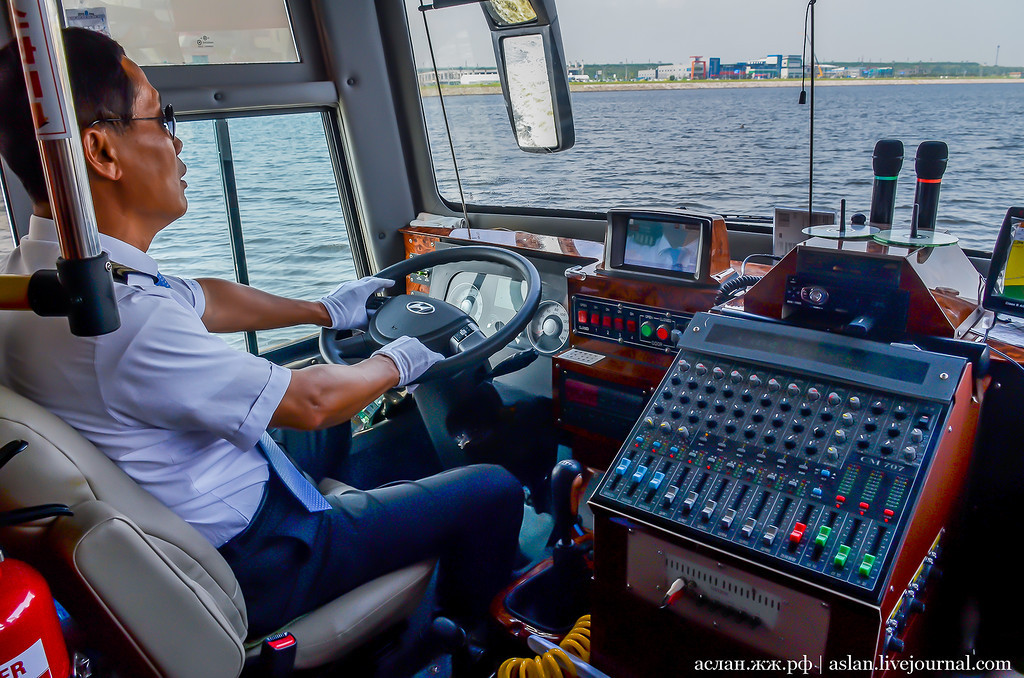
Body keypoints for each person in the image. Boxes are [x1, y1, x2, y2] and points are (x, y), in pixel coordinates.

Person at [0, 28, 523, 636]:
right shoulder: (126, 321)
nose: (175, 143)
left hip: (187, 510)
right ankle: (469, 646)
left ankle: (374, 520)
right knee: (493, 488)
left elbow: (205, 299)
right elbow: (312, 400)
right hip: (264, 555)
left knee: (341, 423)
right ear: (102, 152)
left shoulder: (41, 278)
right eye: (159, 117)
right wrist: (404, 360)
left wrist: (324, 312)